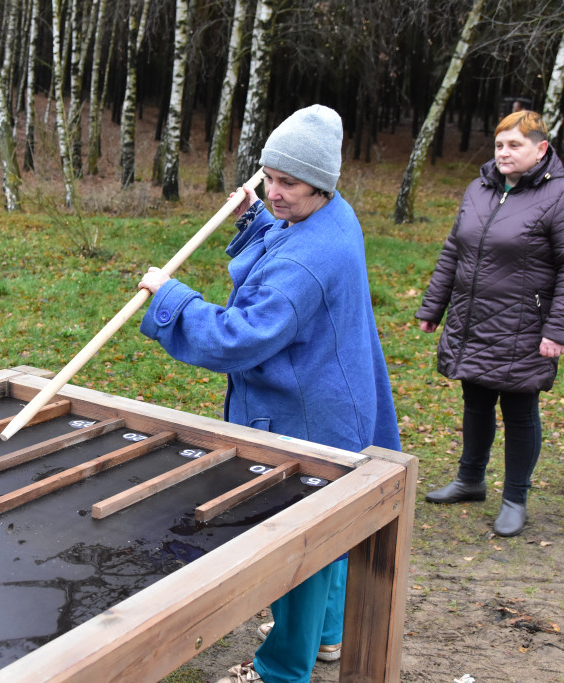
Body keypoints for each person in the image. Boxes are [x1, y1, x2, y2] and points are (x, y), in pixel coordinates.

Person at [137, 105, 401, 683]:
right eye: (268, 176)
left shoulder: (310, 258)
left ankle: (282, 670)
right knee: (330, 527)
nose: (274, 191)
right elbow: (283, 241)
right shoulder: (333, 215)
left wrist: (171, 298)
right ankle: (325, 637)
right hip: (332, 394)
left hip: (306, 412)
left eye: (287, 183)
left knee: (300, 544)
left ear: (320, 183)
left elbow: (239, 337)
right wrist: (258, 217)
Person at [416, 110, 564, 537]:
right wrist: (432, 308)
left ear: (541, 149)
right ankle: (470, 480)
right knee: (475, 399)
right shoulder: (480, 188)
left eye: (515, 145)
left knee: (518, 409)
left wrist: (557, 330)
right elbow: (452, 252)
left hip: (525, 325)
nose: (504, 152)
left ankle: (515, 497)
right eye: (499, 144)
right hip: (472, 319)